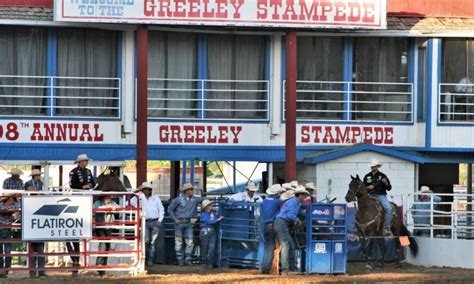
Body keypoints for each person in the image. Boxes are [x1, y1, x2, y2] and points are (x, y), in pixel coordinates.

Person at [68, 154, 95, 277]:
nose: (86, 163)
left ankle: (75, 261)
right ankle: (75, 260)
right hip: (77, 199)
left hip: (85, 198)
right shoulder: (73, 172)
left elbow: (93, 183)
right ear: (80, 162)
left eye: (86, 161)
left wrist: (90, 186)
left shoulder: (89, 172)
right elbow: (72, 185)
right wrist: (82, 186)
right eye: (85, 161)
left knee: (74, 237)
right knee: (71, 238)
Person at [274, 187, 309, 275]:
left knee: (291, 245)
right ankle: (286, 270)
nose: (305, 197)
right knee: (286, 245)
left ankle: (291, 268)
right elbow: (291, 215)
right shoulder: (293, 202)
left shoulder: (296, 203)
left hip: (282, 224)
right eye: (304, 195)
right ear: (300, 195)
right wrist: (298, 221)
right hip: (281, 223)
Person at [168, 183, 204, 266]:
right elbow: (170, 209)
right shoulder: (178, 199)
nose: (192, 191)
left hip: (188, 222)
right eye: (190, 189)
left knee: (190, 242)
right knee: (179, 241)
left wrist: (206, 200)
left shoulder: (194, 199)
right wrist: (175, 219)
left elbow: (203, 198)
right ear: (186, 191)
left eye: (192, 189)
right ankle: (180, 259)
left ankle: (187, 258)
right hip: (179, 222)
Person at [131, 181, 164, 266]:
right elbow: (130, 202)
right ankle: (145, 258)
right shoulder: (138, 197)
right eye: (146, 189)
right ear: (143, 190)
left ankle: (149, 259)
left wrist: (159, 220)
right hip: (145, 221)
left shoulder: (156, 198)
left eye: (149, 189)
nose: (148, 191)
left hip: (154, 221)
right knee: (146, 240)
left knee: (151, 241)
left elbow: (161, 209)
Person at [25, 170, 47, 278]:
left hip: (36, 223)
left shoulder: (40, 184)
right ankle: (33, 272)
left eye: (39, 175)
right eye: (38, 175)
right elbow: (29, 191)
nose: (39, 176)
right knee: (34, 251)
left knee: (39, 251)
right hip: (33, 221)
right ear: (35, 176)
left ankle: (40, 271)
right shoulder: (29, 183)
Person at [363, 158, 393, 236]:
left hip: (380, 195)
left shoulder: (383, 176)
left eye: (374, 166)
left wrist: (386, 183)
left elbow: (389, 188)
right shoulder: (367, 176)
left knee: (388, 209)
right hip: (370, 195)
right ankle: (360, 225)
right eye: (372, 166)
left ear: (377, 166)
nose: (372, 167)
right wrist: (368, 187)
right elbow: (363, 188)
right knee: (361, 207)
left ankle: (386, 226)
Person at [260, 184, 284, 274]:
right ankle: (266, 268)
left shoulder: (265, 201)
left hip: (265, 225)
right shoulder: (278, 202)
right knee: (271, 246)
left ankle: (265, 267)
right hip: (272, 224)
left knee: (268, 246)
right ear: (277, 193)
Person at [93, 194, 119, 276]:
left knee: (107, 246)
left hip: (109, 226)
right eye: (108, 195)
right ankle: (99, 264)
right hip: (100, 226)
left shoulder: (112, 203)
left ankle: (102, 267)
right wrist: (107, 209)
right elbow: (95, 209)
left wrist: (113, 209)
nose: (110, 196)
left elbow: (118, 209)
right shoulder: (98, 202)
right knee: (103, 244)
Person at [199, 200, 223, 269]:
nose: (212, 206)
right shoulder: (203, 214)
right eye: (210, 205)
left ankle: (209, 263)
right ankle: (205, 262)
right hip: (205, 232)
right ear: (207, 207)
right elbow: (209, 222)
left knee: (211, 248)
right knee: (205, 248)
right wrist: (218, 219)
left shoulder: (212, 213)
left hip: (211, 232)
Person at [0, 196, 19, 278]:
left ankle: (6, 270)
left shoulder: (12, 205)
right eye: (11, 200)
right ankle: (1, 270)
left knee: (8, 252)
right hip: (2, 230)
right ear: (7, 199)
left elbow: (16, 209)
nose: (12, 202)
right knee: (1, 252)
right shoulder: (1, 204)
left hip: (7, 230)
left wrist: (7, 211)